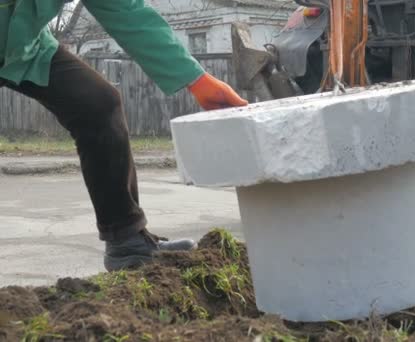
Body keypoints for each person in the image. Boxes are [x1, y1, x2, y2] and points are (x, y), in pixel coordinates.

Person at [0, 0, 248, 271]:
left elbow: (126, 11)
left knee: (98, 104)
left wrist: (197, 80)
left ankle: (126, 240)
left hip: (22, 46)